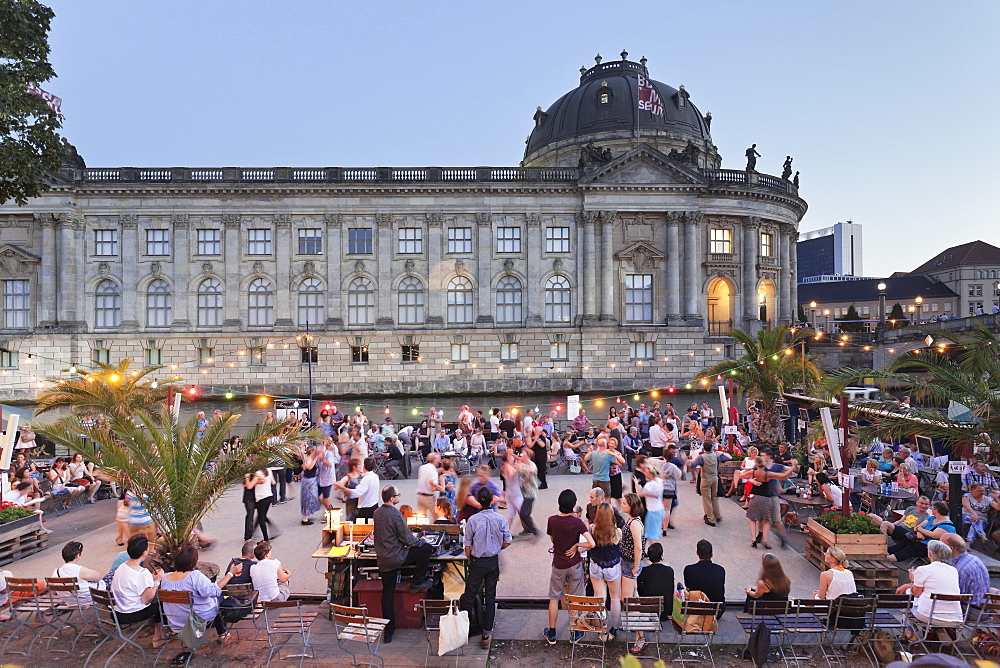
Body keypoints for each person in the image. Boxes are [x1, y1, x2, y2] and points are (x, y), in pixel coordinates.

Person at [374, 485, 434, 642]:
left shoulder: (377, 512)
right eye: (398, 494)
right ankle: (417, 582)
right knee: (426, 548)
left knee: (387, 593)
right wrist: (419, 541)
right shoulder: (395, 515)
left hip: (384, 558)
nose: (399, 496)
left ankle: (388, 631)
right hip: (397, 556)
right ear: (392, 498)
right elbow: (407, 538)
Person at [160, 546, 235, 661]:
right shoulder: (195, 576)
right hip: (195, 622)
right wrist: (230, 573)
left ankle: (223, 633)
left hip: (175, 623)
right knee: (220, 597)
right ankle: (223, 633)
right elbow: (214, 591)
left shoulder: (165, 578)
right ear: (193, 562)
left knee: (212, 600)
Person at [460, 485, 513, 650]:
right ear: (491, 500)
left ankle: (467, 628)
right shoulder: (500, 519)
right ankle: (486, 633)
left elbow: (467, 544)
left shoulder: (473, 520)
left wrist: (470, 559)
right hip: (492, 561)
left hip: (477, 562)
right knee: (490, 597)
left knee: (469, 596)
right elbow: (508, 540)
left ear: (478, 501)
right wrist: (498, 547)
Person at [542, 489, 591, 645]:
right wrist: (576, 545)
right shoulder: (577, 522)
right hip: (574, 563)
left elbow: (552, 539)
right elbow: (592, 543)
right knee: (575, 597)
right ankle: (576, 632)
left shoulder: (552, 520)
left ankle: (552, 632)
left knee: (554, 598)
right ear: (573, 506)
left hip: (558, 564)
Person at [896, 540, 964, 629]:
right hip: (955, 618)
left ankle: (911, 635)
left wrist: (913, 581)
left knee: (907, 599)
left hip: (930, 617)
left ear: (930, 554)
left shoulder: (923, 569)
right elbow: (935, 586)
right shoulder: (953, 570)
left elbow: (916, 593)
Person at [110, 536, 163, 642]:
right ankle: (159, 636)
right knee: (161, 604)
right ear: (144, 552)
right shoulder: (142, 573)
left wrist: (151, 579)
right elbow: (146, 600)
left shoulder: (122, 567)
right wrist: (157, 581)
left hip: (116, 612)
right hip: (132, 614)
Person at [583, 503, 622, 642]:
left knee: (599, 597)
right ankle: (614, 628)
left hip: (596, 566)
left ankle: (601, 629)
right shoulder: (616, 532)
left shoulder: (592, 528)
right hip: (612, 567)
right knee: (615, 597)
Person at [888, 501, 957, 562]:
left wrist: (919, 530)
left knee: (911, 548)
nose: (930, 510)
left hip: (932, 547)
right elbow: (918, 526)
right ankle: (886, 553)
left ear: (936, 511)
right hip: (920, 540)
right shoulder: (932, 518)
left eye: (932, 508)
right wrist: (919, 532)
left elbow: (933, 535)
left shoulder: (947, 526)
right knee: (905, 542)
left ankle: (889, 559)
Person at [940, 533, 991, 608]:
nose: (938, 548)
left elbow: (956, 597)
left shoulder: (960, 569)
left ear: (950, 548)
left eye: (940, 545)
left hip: (971, 610)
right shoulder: (974, 559)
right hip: (983, 607)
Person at [51, 541, 103, 608]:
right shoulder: (80, 570)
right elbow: (98, 577)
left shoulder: (56, 572)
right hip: (87, 600)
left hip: (70, 601)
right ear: (78, 556)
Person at [690, 441, 730, 526]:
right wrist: (721, 452)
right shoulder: (716, 455)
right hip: (715, 478)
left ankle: (710, 518)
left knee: (706, 499)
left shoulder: (702, 457)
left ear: (704, 448)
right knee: (714, 497)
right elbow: (728, 458)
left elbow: (693, 464)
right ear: (712, 447)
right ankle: (717, 515)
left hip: (706, 478)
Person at [683, 540, 726, 617]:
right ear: (712, 554)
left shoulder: (689, 569)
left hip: (695, 610)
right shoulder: (720, 570)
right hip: (716, 611)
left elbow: (688, 585)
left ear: (697, 553)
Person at [636, 542, 673, 621]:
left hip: (647, 610)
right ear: (661, 556)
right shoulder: (669, 571)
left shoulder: (644, 571)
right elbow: (670, 591)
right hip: (663, 613)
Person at [638, 461, 664, 550]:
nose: (645, 474)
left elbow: (640, 494)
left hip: (652, 511)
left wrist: (636, 484)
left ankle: (656, 552)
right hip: (659, 509)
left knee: (650, 535)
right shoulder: (659, 481)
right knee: (655, 533)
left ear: (651, 474)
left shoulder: (649, 485)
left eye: (646, 472)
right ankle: (657, 551)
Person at [297, 442, 323, 525]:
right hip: (309, 480)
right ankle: (305, 518)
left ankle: (307, 515)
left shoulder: (306, 458)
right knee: (309, 498)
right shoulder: (309, 459)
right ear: (311, 452)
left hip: (308, 480)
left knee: (310, 497)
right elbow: (309, 467)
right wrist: (315, 459)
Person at [245, 467, 275, 539]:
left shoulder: (258, 473)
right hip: (269, 495)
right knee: (262, 516)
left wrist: (247, 478)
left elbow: (249, 486)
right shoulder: (269, 470)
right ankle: (268, 533)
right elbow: (273, 482)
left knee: (261, 519)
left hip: (261, 498)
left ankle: (266, 538)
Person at [517, 447, 539, 537]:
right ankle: (527, 529)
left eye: (524, 454)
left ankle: (535, 531)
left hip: (530, 492)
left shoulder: (531, 465)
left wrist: (520, 467)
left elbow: (532, 470)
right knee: (522, 512)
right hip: (523, 490)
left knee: (524, 513)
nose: (522, 455)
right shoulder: (522, 464)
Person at [416, 452, 444, 518]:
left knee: (421, 518)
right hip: (429, 497)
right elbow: (433, 487)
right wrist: (443, 487)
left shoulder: (422, 467)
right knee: (436, 517)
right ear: (435, 460)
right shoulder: (433, 471)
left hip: (420, 496)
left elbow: (428, 472)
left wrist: (439, 470)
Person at [317, 439, 340, 511]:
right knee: (316, 496)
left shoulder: (329, 454)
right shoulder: (318, 456)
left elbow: (329, 464)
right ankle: (325, 508)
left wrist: (322, 459)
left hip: (328, 479)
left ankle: (331, 513)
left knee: (325, 498)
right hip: (320, 479)